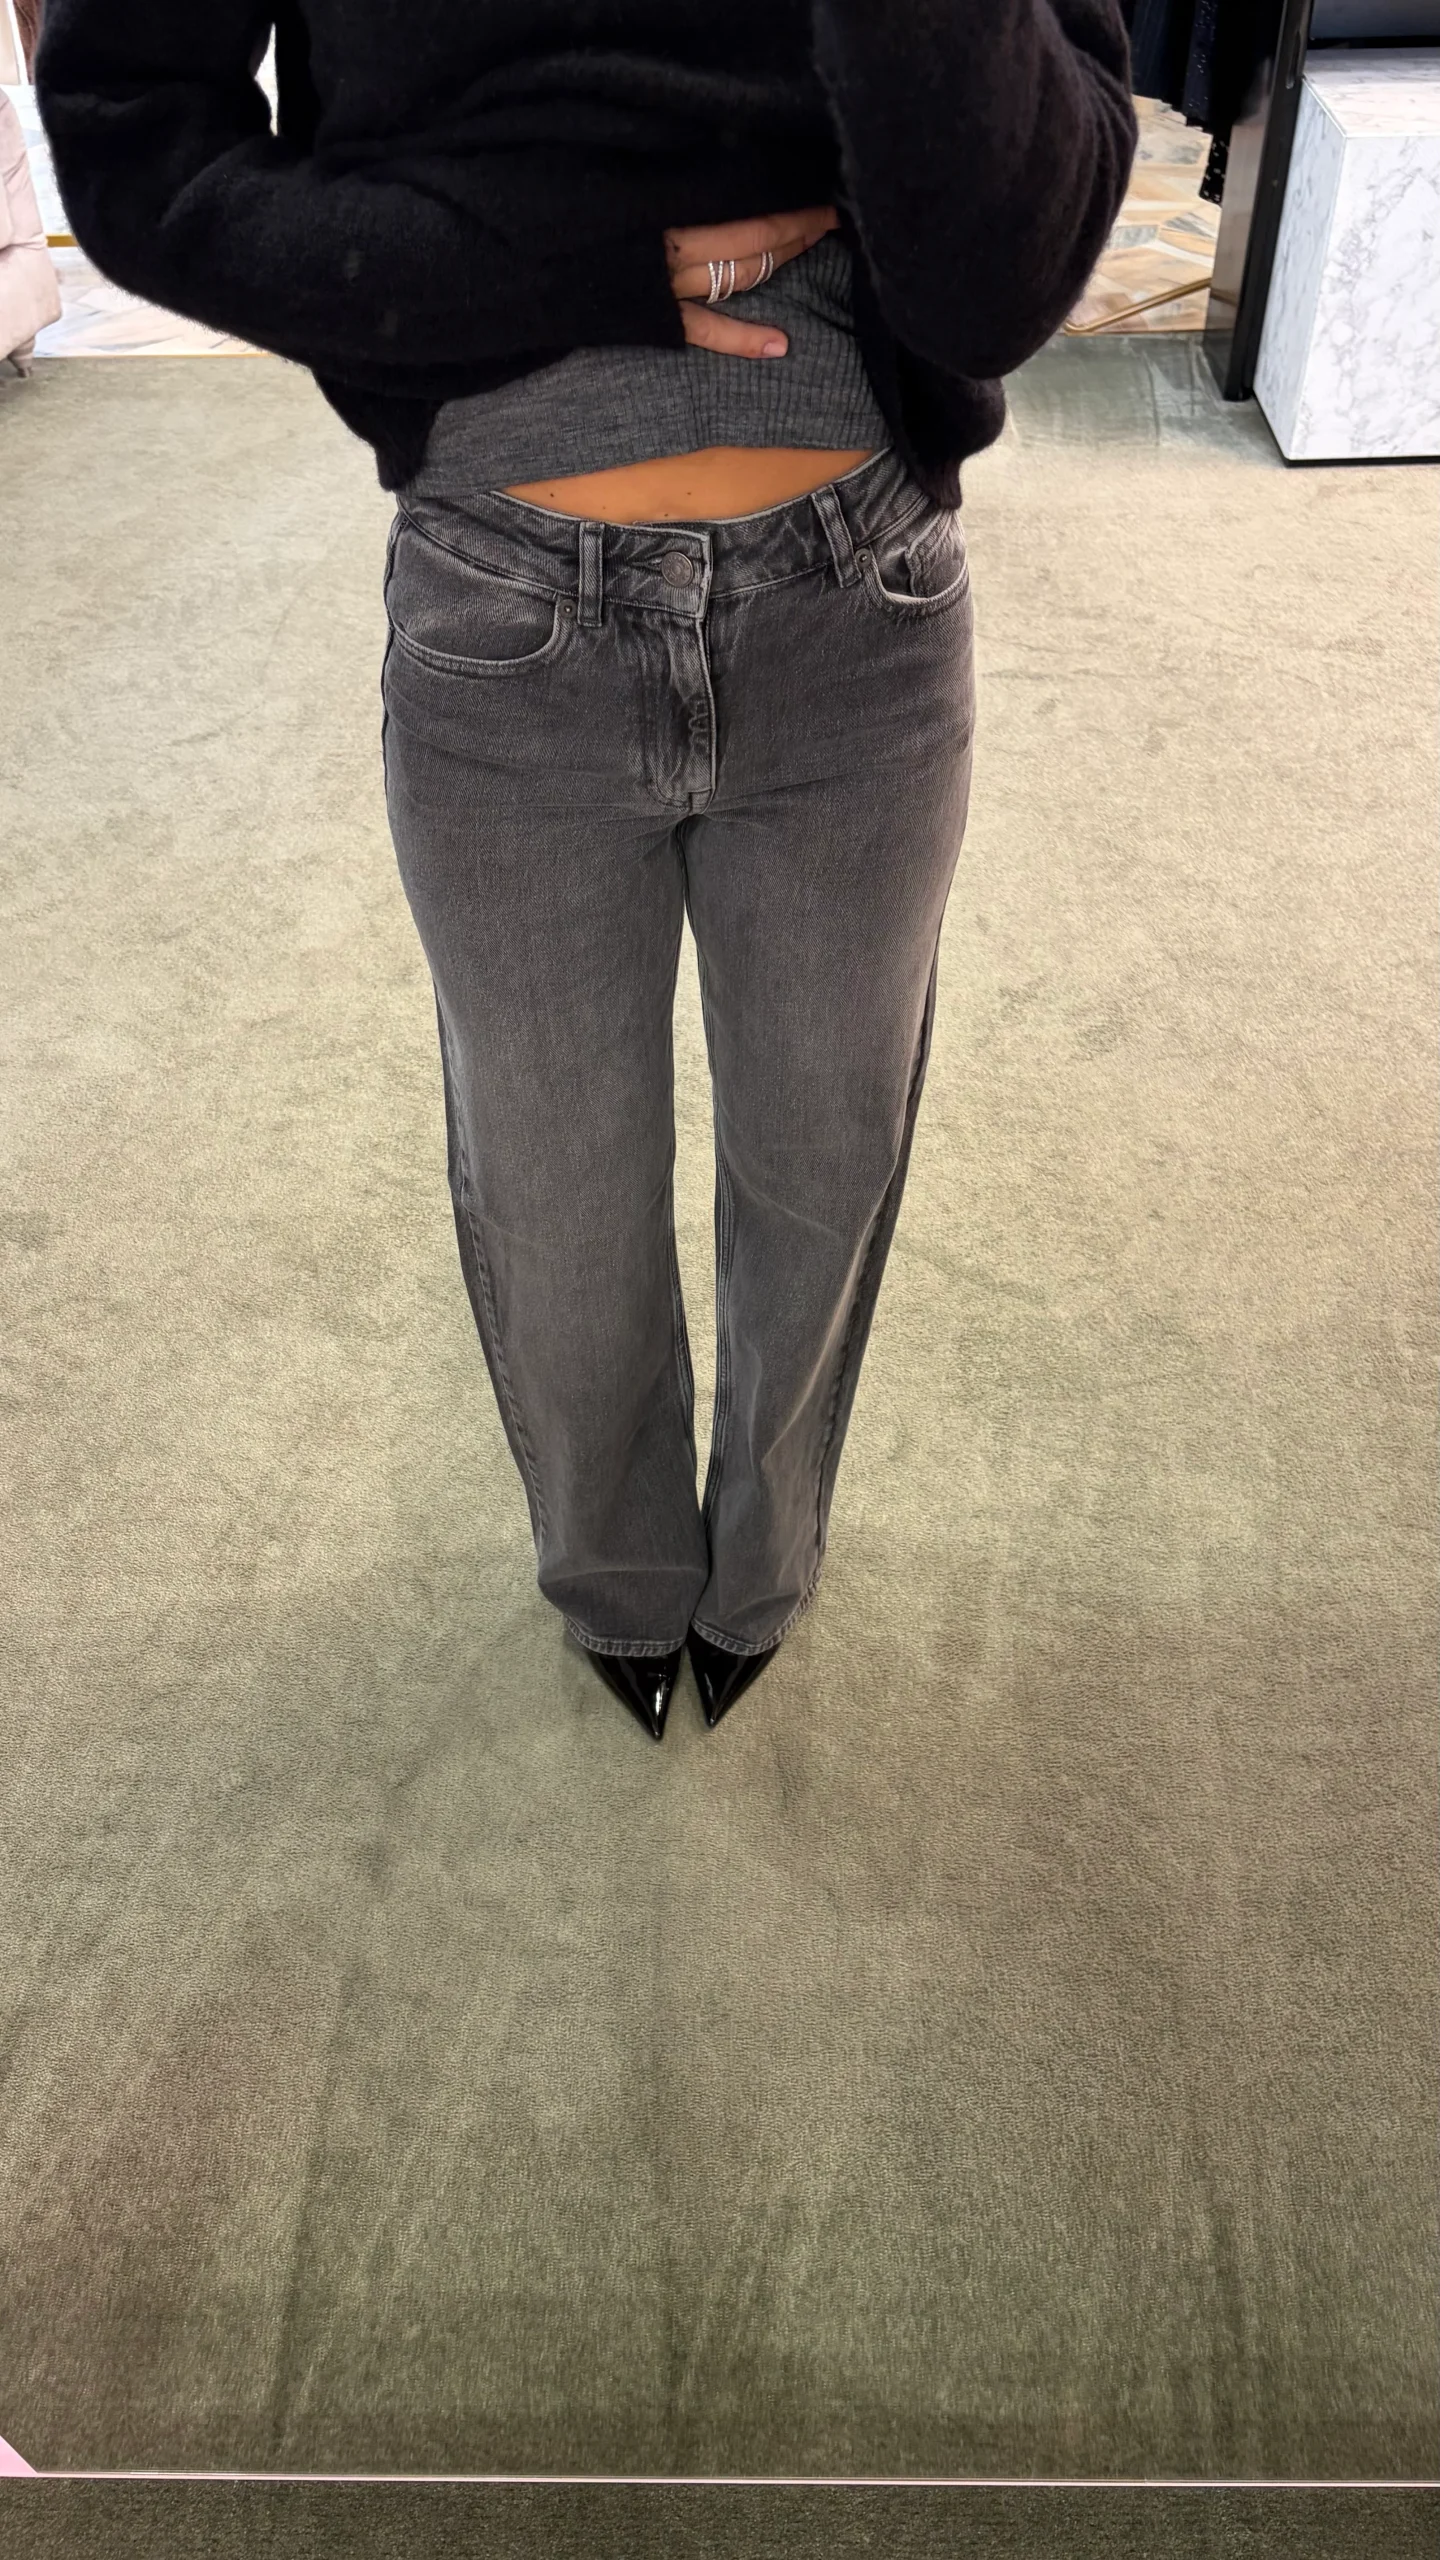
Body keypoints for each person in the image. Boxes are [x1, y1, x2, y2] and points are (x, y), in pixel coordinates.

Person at [36, 2, 1138, 1741]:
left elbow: (1015, 255)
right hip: (506, 619)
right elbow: (131, 132)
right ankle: (618, 1578)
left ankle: (764, 1564)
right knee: (554, 1199)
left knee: (826, 1158)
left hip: (862, 605)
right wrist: (548, 268)